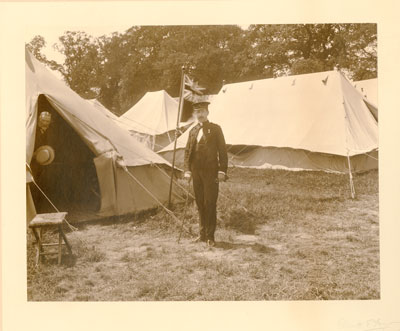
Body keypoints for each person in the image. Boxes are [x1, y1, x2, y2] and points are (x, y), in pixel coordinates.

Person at [183, 100, 228, 247]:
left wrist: (222, 171)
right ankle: (201, 234)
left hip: (211, 172)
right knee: (200, 203)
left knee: (210, 203)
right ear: (194, 114)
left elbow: (222, 151)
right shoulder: (192, 131)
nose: (200, 114)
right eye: (197, 112)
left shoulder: (215, 129)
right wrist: (187, 170)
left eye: (202, 111)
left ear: (207, 112)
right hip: (196, 172)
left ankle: (210, 237)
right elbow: (187, 152)